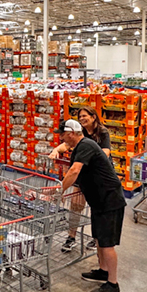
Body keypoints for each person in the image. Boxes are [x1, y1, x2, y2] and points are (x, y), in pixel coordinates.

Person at [57, 120, 125, 292]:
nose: (62, 139)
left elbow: (74, 171)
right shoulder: (82, 146)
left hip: (109, 200)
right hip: (99, 200)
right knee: (99, 237)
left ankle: (113, 284)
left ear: (70, 133)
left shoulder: (86, 145)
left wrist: (59, 191)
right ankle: (103, 271)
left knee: (107, 243)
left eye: (62, 135)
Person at [49, 106, 109, 253]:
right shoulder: (79, 134)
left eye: (85, 115)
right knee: (76, 205)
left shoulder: (102, 132)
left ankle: (97, 237)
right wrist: (56, 150)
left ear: (94, 116)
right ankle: (71, 237)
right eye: (79, 116)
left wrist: (86, 158)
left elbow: (105, 153)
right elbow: (66, 144)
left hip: (96, 175)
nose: (82, 119)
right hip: (82, 174)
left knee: (96, 208)